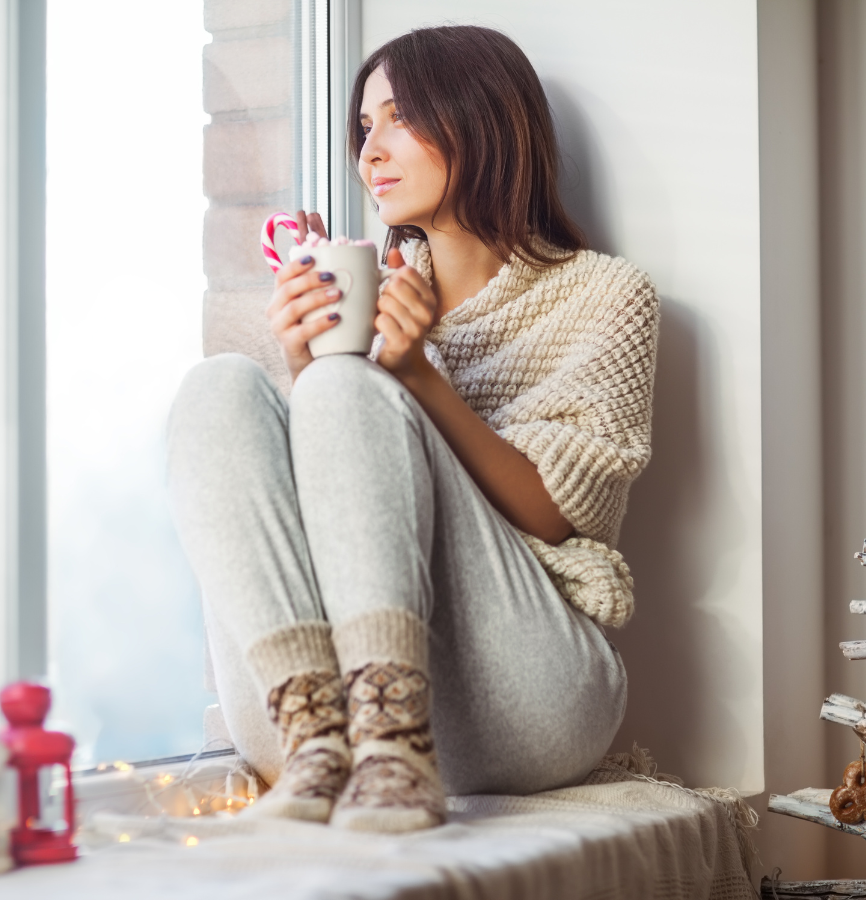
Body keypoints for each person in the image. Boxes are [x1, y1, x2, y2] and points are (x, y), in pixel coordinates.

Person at [167, 24, 658, 834]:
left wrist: (413, 374)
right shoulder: (373, 293)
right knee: (218, 386)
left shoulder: (606, 296)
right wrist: (309, 362)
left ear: (484, 117)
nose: (371, 151)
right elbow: (338, 505)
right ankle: (321, 743)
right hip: (320, 722)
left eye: (399, 118)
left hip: (526, 697)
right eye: (364, 128)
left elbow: (560, 516)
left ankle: (393, 745)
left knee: (342, 385)